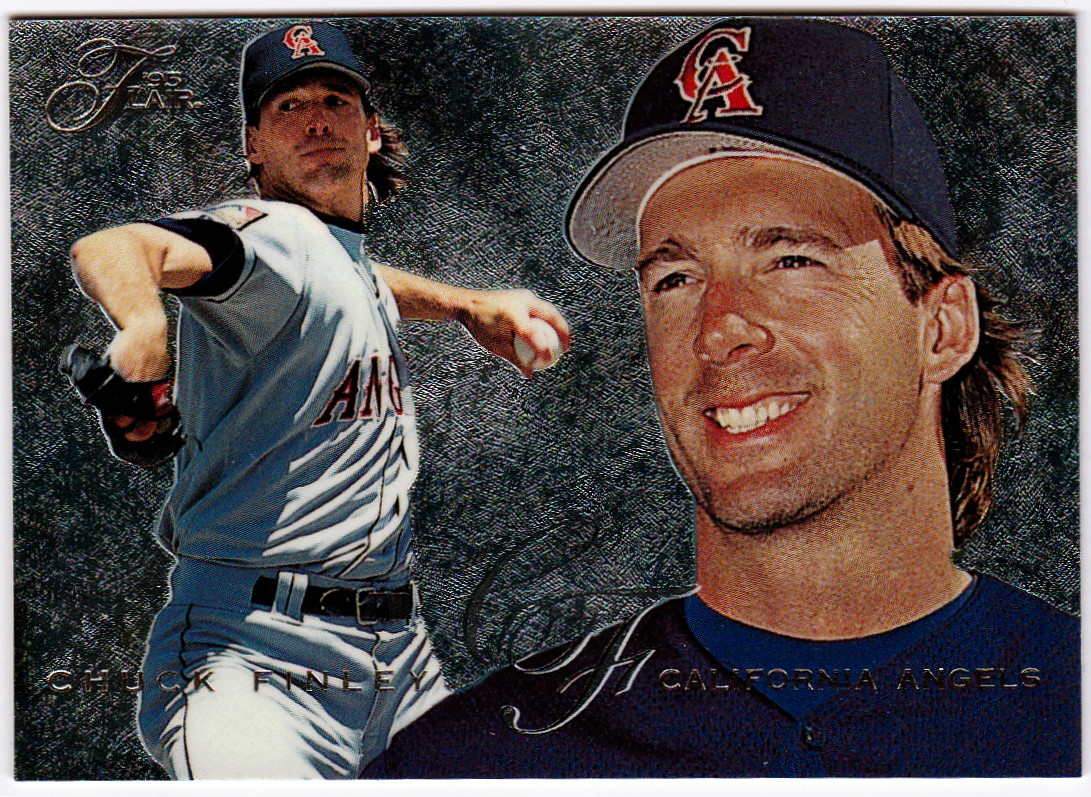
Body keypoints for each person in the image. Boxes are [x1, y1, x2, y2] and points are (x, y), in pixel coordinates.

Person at [364, 18, 1078, 778]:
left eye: (791, 259)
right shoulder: (478, 761)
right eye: (675, 278)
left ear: (942, 327)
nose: (718, 329)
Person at [66, 22, 570, 779]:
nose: (315, 120)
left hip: (399, 662)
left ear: (371, 132)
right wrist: (142, 322)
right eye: (288, 107)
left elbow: (361, 282)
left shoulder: (333, 259)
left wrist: (467, 305)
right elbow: (115, 245)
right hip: (252, 658)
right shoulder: (271, 233)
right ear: (254, 147)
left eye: (335, 101)